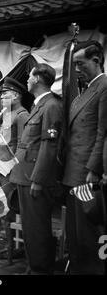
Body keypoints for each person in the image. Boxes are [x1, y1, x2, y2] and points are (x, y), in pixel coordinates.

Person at [9, 63, 63, 274]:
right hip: (25, 175)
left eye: (30, 76)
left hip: (34, 179)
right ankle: (34, 267)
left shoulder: (51, 106)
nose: (28, 80)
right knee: (31, 229)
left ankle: (40, 269)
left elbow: (49, 146)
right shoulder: (39, 105)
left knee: (37, 228)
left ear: (38, 79)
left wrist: (38, 180)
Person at [62, 41, 107, 274]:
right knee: (75, 235)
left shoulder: (104, 87)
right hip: (72, 173)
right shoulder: (83, 92)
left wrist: (93, 170)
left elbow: (103, 133)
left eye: (80, 64)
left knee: (91, 236)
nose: (76, 69)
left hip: (87, 175)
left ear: (96, 60)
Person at [0, 78, 30, 262]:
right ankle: (8, 245)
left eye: (5, 93)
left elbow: (23, 146)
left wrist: (15, 169)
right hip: (0, 169)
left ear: (16, 96)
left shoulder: (22, 115)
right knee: (3, 210)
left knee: (12, 209)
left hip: (11, 172)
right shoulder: (8, 115)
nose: (1, 97)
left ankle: (18, 248)